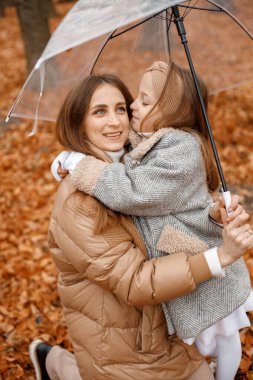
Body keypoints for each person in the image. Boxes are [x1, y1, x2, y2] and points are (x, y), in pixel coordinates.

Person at [30, 73, 253, 380]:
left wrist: (213, 215)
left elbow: (166, 215)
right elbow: (137, 282)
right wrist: (220, 257)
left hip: (161, 327)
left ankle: (50, 358)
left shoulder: (132, 162)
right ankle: (54, 361)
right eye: (99, 111)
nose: (115, 121)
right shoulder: (80, 203)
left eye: (121, 108)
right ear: (78, 122)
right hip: (126, 347)